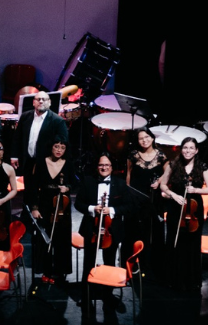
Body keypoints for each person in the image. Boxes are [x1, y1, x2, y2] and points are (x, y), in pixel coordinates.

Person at [74, 153, 132, 313]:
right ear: (97, 167)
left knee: (109, 262)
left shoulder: (120, 184)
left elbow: (129, 206)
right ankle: (86, 295)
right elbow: (78, 203)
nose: (104, 167)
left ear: (111, 167)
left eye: (107, 165)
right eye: (101, 165)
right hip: (91, 228)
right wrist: (92, 208)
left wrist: (111, 210)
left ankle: (108, 295)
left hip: (111, 230)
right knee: (88, 262)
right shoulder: (88, 181)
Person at [159, 137, 208, 292]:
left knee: (192, 243)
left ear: (196, 150)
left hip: (194, 209)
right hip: (176, 207)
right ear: (181, 149)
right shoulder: (173, 165)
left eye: (191, 148)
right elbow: (163, 185)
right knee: (174, 242)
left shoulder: (203, 167)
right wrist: (173, 195)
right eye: (185, 147)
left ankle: (191, 280)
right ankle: (173, 279)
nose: (188, 151)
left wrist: (196, 190)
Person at [25, 138, 75, 284]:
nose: (59, 150)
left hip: (62, 205)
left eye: (62, 147)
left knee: (61, 238)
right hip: (44, 204)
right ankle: (46, 271)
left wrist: (67, 188)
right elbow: (33, 187)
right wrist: (34, 208)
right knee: (44, 239)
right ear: (51, 147)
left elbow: (76, 183)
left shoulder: (68, 164)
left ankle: (60, 272)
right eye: (56, 146)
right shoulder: (41, 162)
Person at [125, 128, 168, 277]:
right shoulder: (133, 155)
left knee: (154, 230)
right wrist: (128, 193)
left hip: (154, 198)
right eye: (141, 138)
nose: (144, 140)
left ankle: (154, 265)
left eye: (147, 137)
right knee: (136, 230)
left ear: (152, 138)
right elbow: (128, 175)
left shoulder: (161, 155)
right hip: (136, 197)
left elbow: (168, 173)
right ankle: (136, 263)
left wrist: (159, 181)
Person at [11, 91, 69, 185]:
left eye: (44, 99)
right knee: (29, 190)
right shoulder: (25, 116)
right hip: (28, 161)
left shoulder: (58, 121)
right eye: (38, 99)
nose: (41, 101)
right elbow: (17, 137)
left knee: (44, 191)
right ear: (33, 102)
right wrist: (14, 156)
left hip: (47, 164)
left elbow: (63, 143)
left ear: (49, 102)